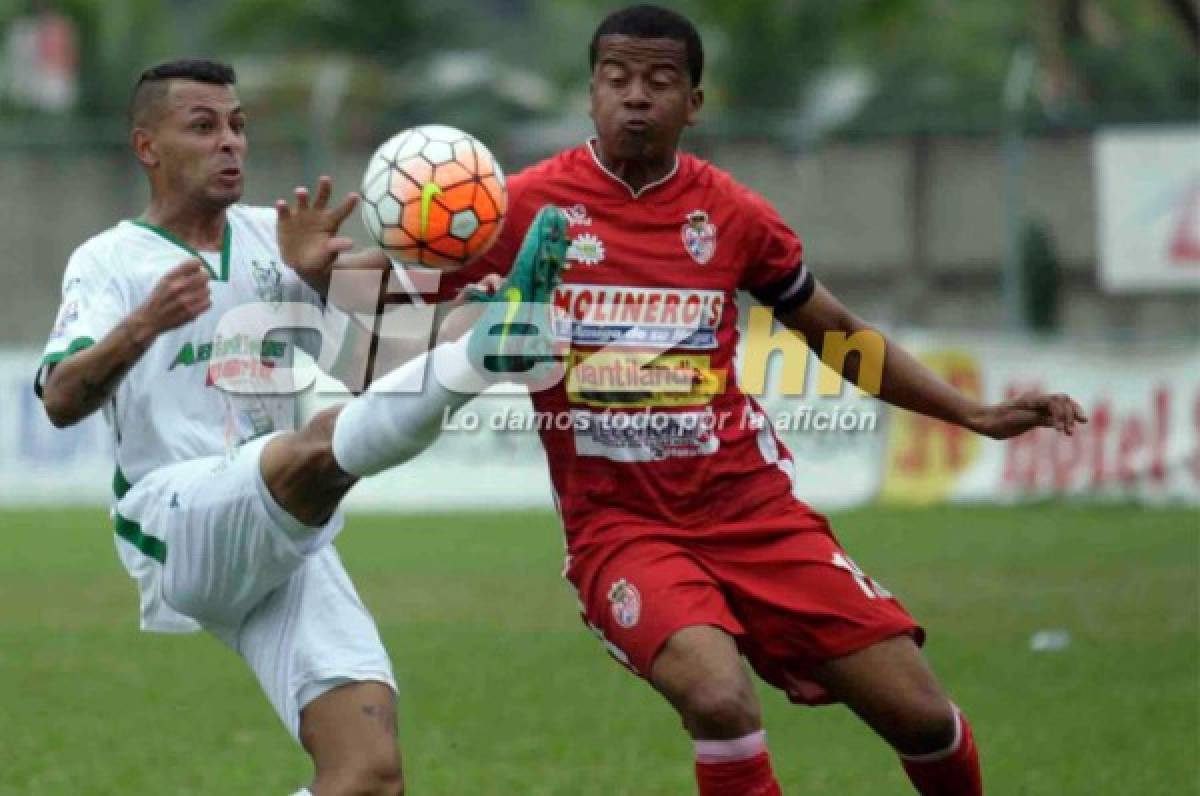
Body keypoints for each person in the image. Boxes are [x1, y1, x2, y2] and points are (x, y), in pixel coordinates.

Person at [438, 6, 1086, 795]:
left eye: (658, 80)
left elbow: (836, 333)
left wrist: (971, 413)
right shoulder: (522, 208)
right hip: (622, 527)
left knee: (920, 714)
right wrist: (325, 270)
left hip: (750, 510)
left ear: (694, 102)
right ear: (591, 93)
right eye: (616, 79)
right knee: (718, 699)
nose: (635, 97)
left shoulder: (733, 215)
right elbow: (399, 291)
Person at [36, 58, 567, 796]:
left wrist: (325, 280)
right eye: (204, 126)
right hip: (174, 517)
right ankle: (493, 345)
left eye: (238, 125)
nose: (231, 143)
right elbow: (61, 398)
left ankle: (503, 327)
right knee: (319, 447)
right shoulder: (109, 261)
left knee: (370, 775)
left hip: (280, 526)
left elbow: (386, 364)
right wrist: (145, 324)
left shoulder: (275, 238)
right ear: (147, 146)